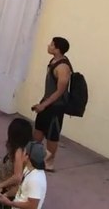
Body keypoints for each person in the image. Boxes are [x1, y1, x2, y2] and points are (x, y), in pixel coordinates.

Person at [32, 37, 72, 172]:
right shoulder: (54, 61)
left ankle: (49, 163)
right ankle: (34, 156)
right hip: (47, 102)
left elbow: (60, 91)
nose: (48, 46)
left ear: (57, 48)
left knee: (52, 135)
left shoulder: (63, 68)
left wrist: (44, 105)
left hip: (55, 107)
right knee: (38, 130)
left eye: (51, 44)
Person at [0, 141, 48, 208]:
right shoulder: (28, 168)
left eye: (24, 151)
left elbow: (33, 206)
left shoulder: (35, 180)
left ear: (27, 156)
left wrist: (9, 203)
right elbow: (21, 189)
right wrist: (5, 195)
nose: (22, 153)